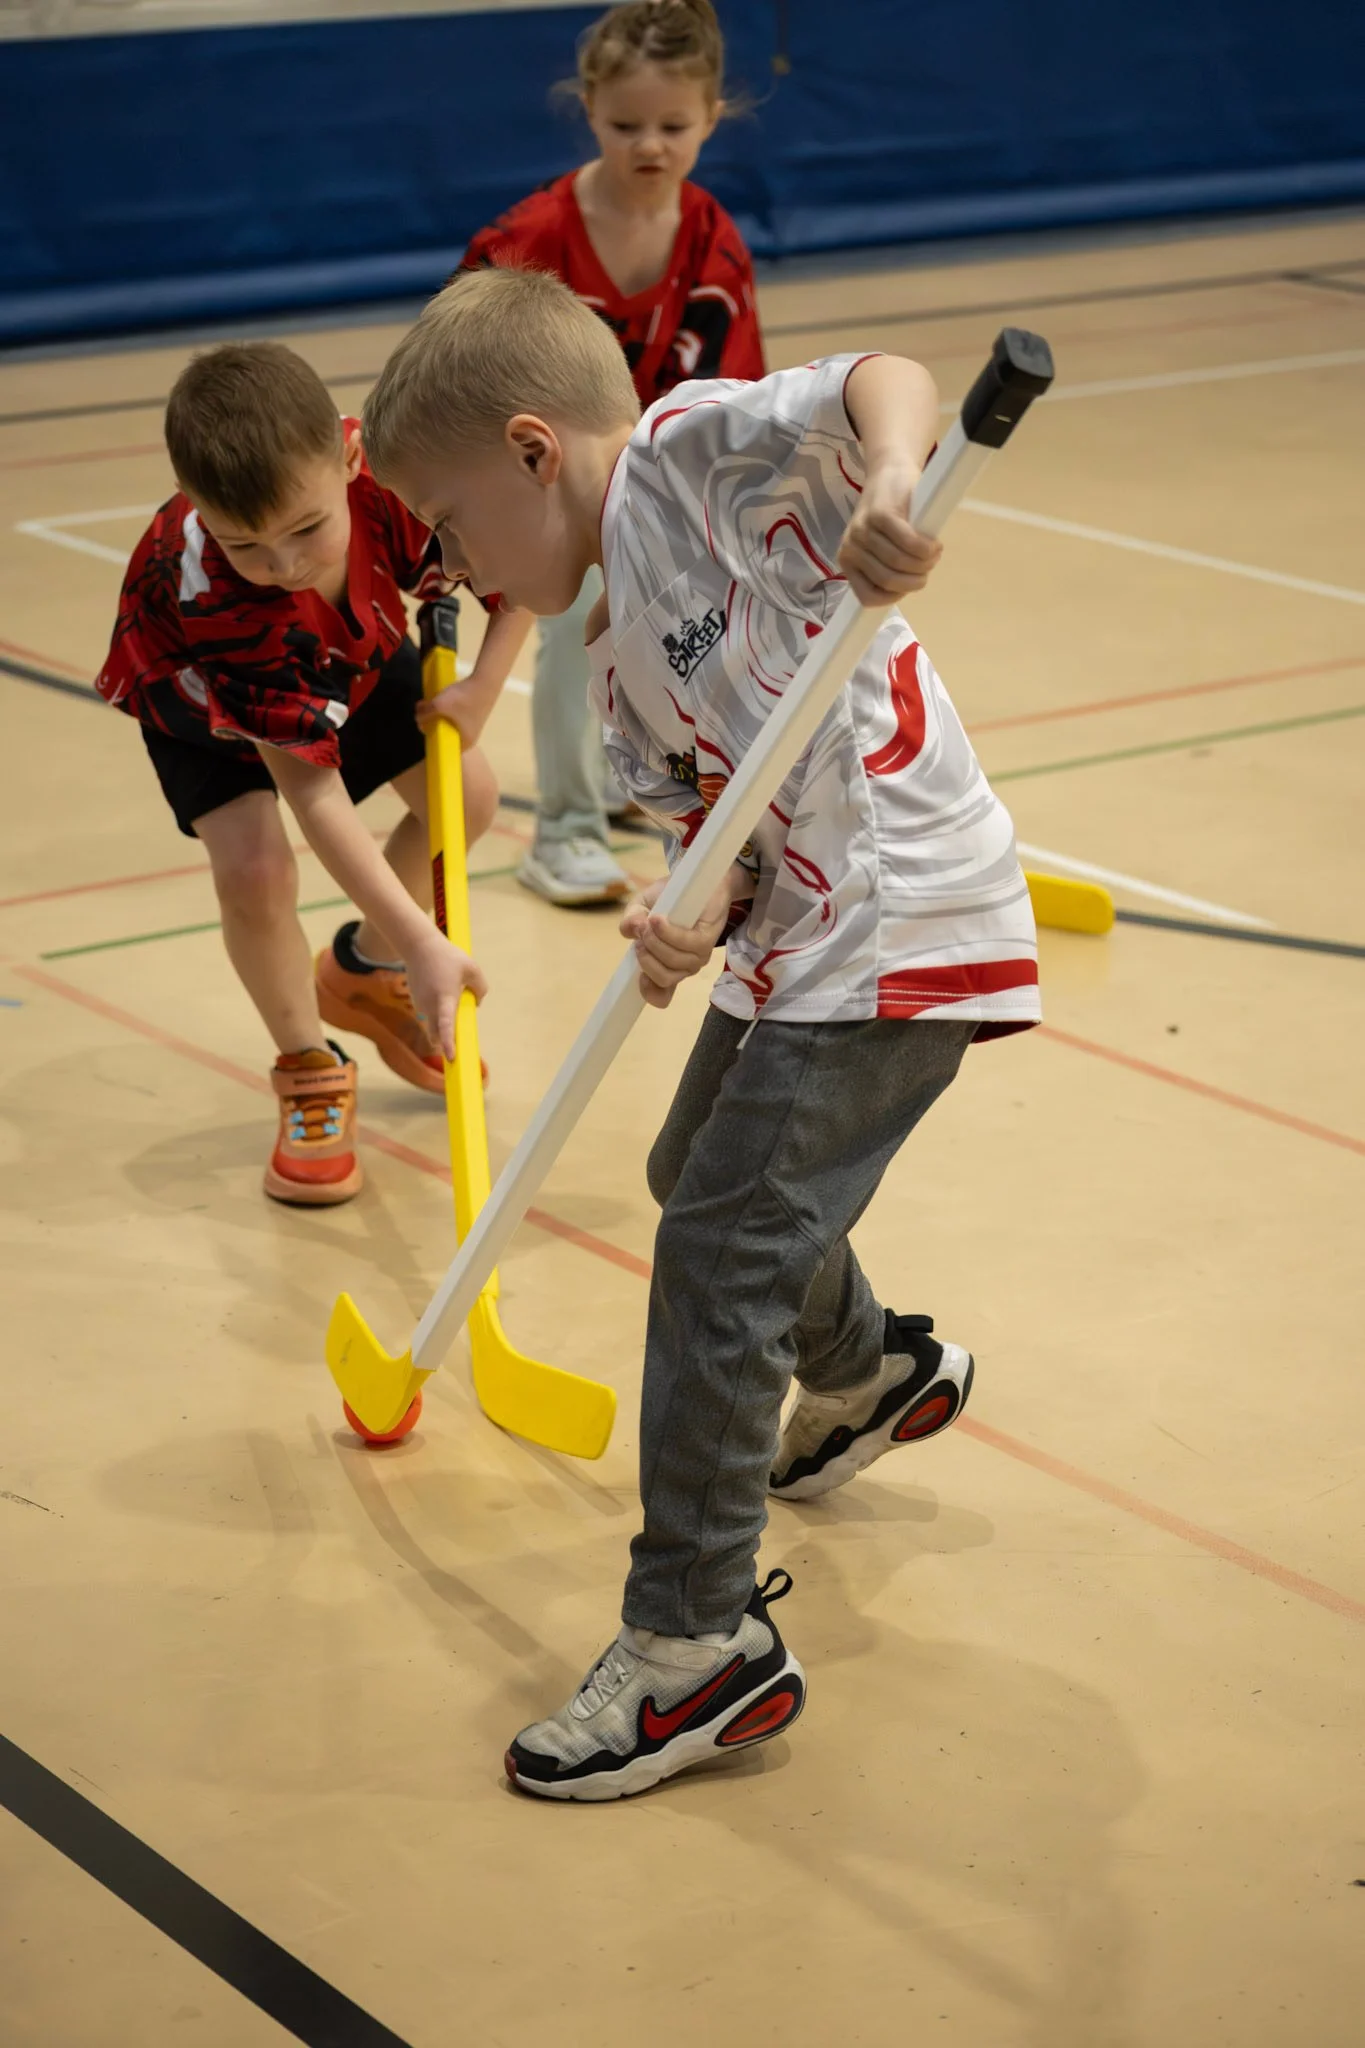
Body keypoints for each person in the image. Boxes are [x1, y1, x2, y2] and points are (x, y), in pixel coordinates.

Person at [361, 267, 1041, 1800]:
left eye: (451, 524)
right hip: (799, 925)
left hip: (896, 901)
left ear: (534, 450)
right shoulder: (612, 663)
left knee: (722, 1249)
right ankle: (869, 1372)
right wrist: (695, 904)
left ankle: (692, 1645)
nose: (452, 565)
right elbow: (718, 835)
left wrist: (886, 481)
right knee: (696, 1178)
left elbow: (884, 376)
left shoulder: (678, 458)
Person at [96, 341, 522, 1205]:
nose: (285, 564)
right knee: (256, 873)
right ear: (198, 509)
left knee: (469, 798)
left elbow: (514, 570)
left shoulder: (398, 478)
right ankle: (307, 1064)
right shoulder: (219, 594)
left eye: (305, 530)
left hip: (344, 649)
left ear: (351, 460)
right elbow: (313, 793)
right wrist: (425, 941)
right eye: (245, 543)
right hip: (203, 696)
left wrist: (483, 684)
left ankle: (359, 969)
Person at [441, 0, 764, 908]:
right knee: (571, 617)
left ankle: (634, 778)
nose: (649, 145)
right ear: (587, 109)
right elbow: (456, 376)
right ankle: (564, 832)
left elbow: (731, 401)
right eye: (625, 126)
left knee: (686, 620)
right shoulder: (526, 243)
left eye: (674, 126)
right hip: (526, 483)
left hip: (649, 485)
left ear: (712, 116)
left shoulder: (711, 239)